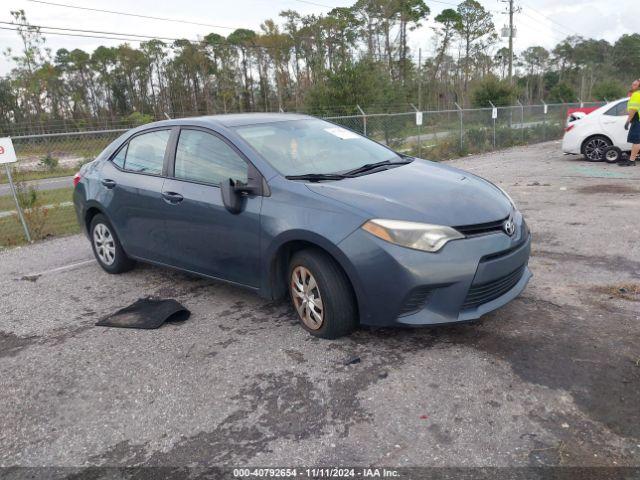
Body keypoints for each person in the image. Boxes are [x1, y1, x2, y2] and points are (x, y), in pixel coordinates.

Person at [621, 79, 640, 166]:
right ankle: (632, 159)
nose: (632, 86)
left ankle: (632, 161)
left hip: (637, 120)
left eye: (635, 85)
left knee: (636, 141)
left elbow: (633, 109)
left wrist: (627, 121)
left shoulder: (636, 94)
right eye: (632, 84)